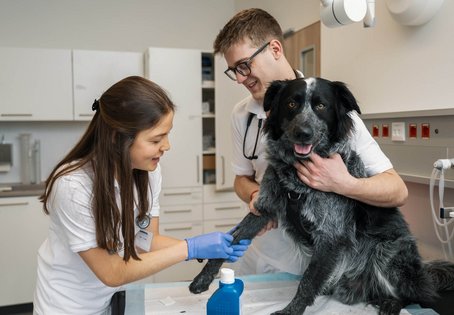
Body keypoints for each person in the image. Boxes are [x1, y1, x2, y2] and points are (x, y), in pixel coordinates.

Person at [213, 8, 408, 276]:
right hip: (258, 256)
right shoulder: (241, 114)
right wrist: (256, 194)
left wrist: (344, 184)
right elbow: (241, 179)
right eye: (233, 70)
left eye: (245, 65)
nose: (239, 78)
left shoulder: (331, 110)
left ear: (275, 49)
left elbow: (397, 190)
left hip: (310, 267)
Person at [33, 76, 251, 315]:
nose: (166, 146)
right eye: (156, 139)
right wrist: (190, 249)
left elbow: (145, 240)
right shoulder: (73, 186)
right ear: (118, 138)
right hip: (66, 306)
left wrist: (206, 246)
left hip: (109, 300)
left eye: (167, 135)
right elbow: (112, 272)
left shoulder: (147, 173)